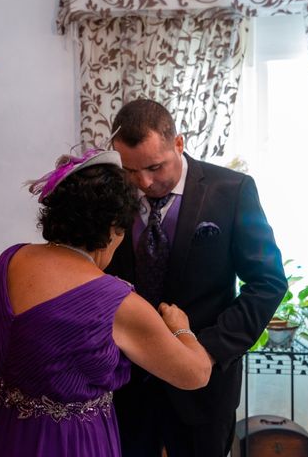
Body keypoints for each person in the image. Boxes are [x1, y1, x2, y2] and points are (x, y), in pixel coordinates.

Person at [0, 148, 213, 456]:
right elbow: (196, 374)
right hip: (63, 443)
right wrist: (180, 328)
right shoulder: (116, 302)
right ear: (113, 229)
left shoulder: (10, 259)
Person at [106, 99, 288, 457]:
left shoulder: (233, 191)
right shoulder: (115, 195)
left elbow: (267, 282)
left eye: (155, 167)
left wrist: (206, 349)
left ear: (179, 143)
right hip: (127, 383)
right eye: (131, 171)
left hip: (204, 389)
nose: (144, 182)